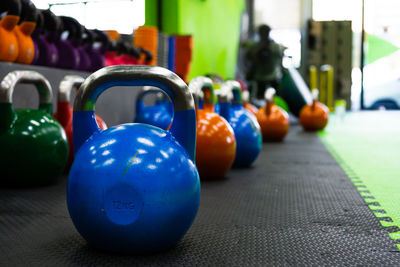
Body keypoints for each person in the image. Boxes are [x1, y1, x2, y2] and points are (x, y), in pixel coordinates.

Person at [244, 24, 284, 100]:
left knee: (268, 99)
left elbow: (248, 60)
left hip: (269, 77)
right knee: (267, 99)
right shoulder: (275, 47)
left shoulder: (254, 47)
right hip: (267, 78)